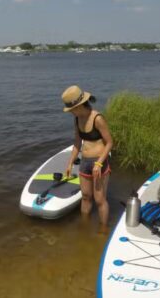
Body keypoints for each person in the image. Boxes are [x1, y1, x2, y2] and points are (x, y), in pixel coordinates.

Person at [62, 85, 113, 231]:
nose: (71, 112)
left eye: (72, 109)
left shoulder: (97, 118)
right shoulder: (77, 120)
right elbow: (77, 143)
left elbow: (110, 143)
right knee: (85, 196)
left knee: (100, 199)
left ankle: (103, 230)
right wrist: (70, 162)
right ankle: (85, 226)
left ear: (79, 105)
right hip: (84, 162)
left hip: (99, 162)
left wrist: (99, 163)